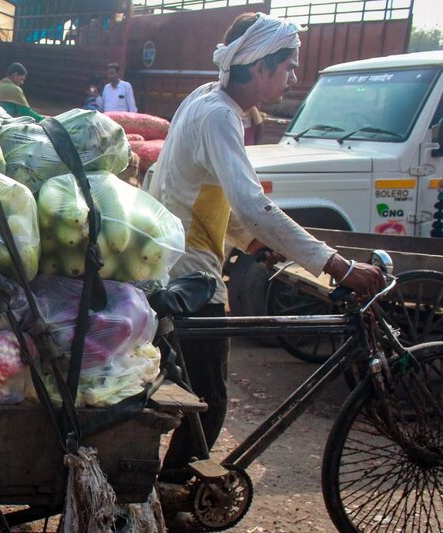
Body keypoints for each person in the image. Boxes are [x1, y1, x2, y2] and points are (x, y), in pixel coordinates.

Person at [144, 12, 385, 487]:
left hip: (174, 263)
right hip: (191, 277)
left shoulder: (206, 100)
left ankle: (166, 485)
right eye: (288, 66)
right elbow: (253, 204)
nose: (293, 76)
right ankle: (172, 492)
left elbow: (211, 197)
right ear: (259, 67)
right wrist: (337, 265)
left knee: (189, 392)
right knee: (208, 402)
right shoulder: (219, 115)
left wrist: (254, 243)